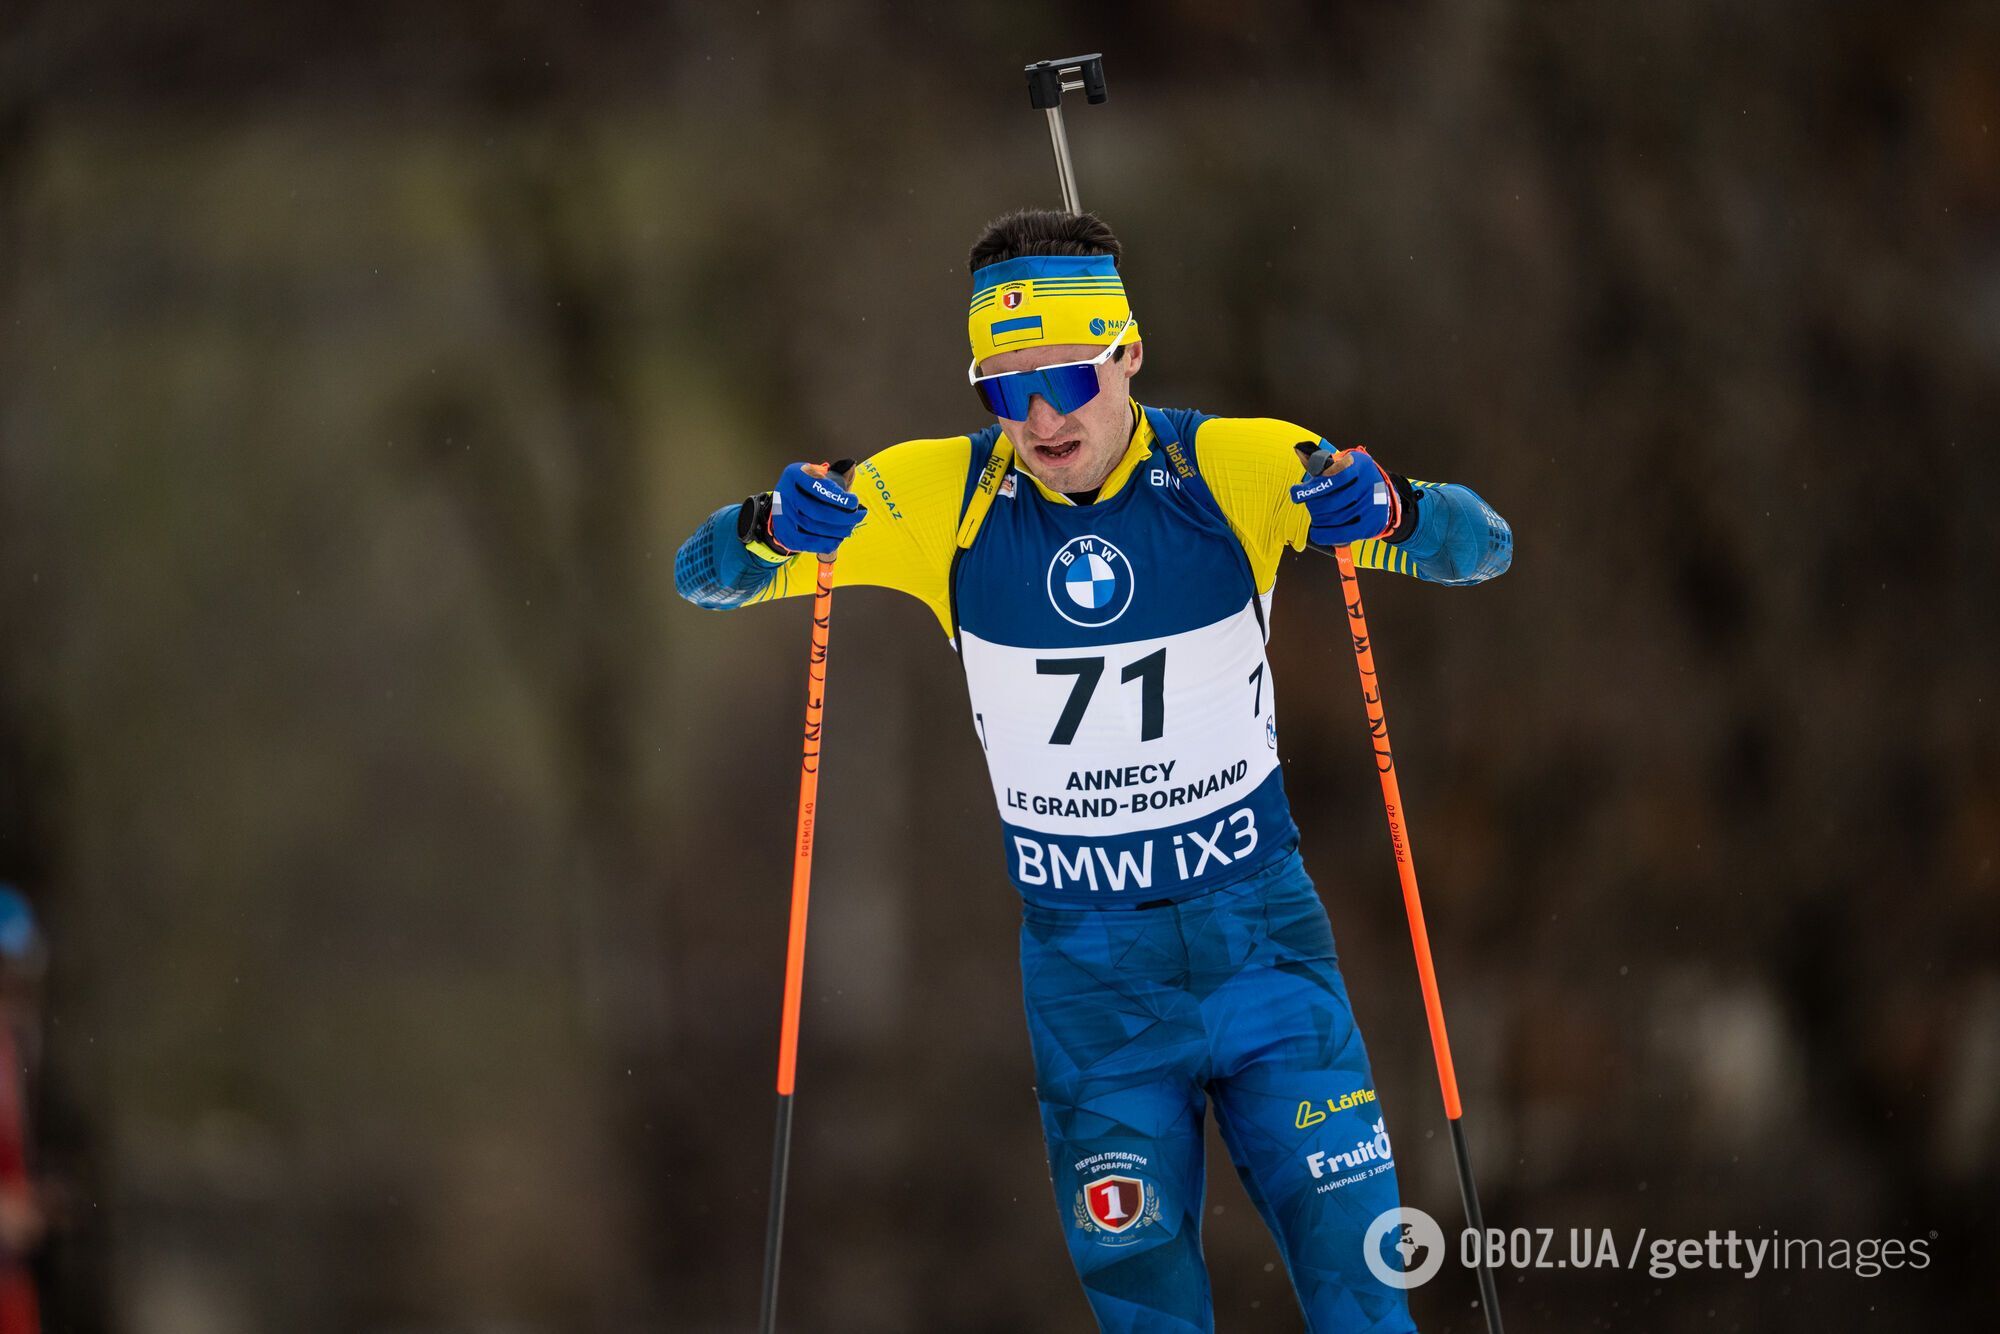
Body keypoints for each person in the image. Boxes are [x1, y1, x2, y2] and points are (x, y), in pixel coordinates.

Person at [674, 209, 1512, 1333]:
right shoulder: (939, 498)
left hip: (1263, 945)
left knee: (1365, 1302)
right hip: (1091, 983)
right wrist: (770, 525)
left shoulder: (1236, 466)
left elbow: (1482, 546)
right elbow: (700, 576)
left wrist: (1395, 507)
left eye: (1066, 378)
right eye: (1003, 389)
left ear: (1128, 353)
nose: (1039, 419)